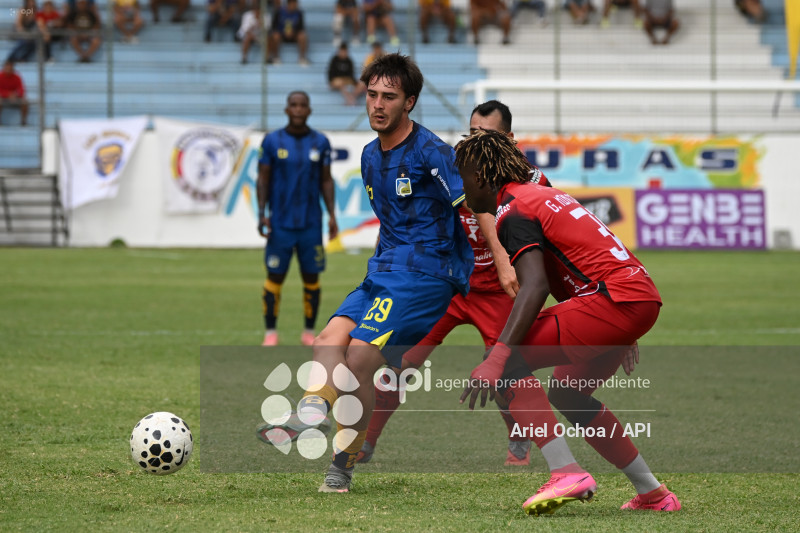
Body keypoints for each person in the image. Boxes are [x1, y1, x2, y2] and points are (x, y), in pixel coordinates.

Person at [267, 53, 473, 493]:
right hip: (384, 270)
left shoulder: (433, 152)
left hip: (428, 274)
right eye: (372, 94)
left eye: (389, 97)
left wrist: (503, 258)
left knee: (357, 359)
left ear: (410, 102)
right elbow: (391, 221)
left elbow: (472, 210)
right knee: (326, 343)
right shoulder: (367, 156)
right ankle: (309, 414)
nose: (377, 104)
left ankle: (340, 467)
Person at [454, 129, 681, 516]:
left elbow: (535, 286)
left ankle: (566, 472)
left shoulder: (512, 209)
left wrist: (499, 355)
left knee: (504, 363)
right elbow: (580, 262)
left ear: (478, 177)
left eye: (462, 177)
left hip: (614, 301)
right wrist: (625, 326)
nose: (463, 189)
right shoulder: (540, 194)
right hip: (634, 296)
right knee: (568, 395)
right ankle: (654, 494)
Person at [357, 100, 550, 467]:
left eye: (486, 135)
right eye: (472, 133)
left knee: (504, 369)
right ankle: (366, 441)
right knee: (398, 366)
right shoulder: (452, 167)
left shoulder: (532, 182)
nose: (476, 142)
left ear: (509, 138)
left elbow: (552, 241)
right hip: (445, 285)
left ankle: (520, 436)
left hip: (498, 291)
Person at [257, 91, 338, 347]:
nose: (298, 109)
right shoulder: (272, 141)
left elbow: (326, 180)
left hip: (311, 224)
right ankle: (271, 332)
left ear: (309, 110)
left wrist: (333, 216)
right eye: (293, 105)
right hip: (280, 224)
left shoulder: (321, 142)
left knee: (311, 278)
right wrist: (262, 213)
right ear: (286, 109)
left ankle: (308, 331)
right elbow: (263, 179)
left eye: (303, 105)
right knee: (275, 276)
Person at [267, 0, 309, 65]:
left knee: (302, 35)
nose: (296, 5)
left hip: (294, 35)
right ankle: (276, 57)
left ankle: (302, 58)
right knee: (275, 35)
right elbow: (273, 27)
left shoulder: (299, 13)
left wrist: (293, 32)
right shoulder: (279, 12)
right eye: (294, 4)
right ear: (289, 4)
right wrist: (283, 32)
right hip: (281, 35)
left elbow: (301, 28)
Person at [0, 60, 29, 126]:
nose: (8, 70)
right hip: (3, 98)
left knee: (25, 101)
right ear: (4, 68)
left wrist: (16, 95)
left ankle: (23, 121)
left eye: (10, 68)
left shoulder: (17, 77)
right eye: (7, 68)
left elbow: (21, 89)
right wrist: (8, 94)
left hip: (15, 98)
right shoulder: (0, 77)